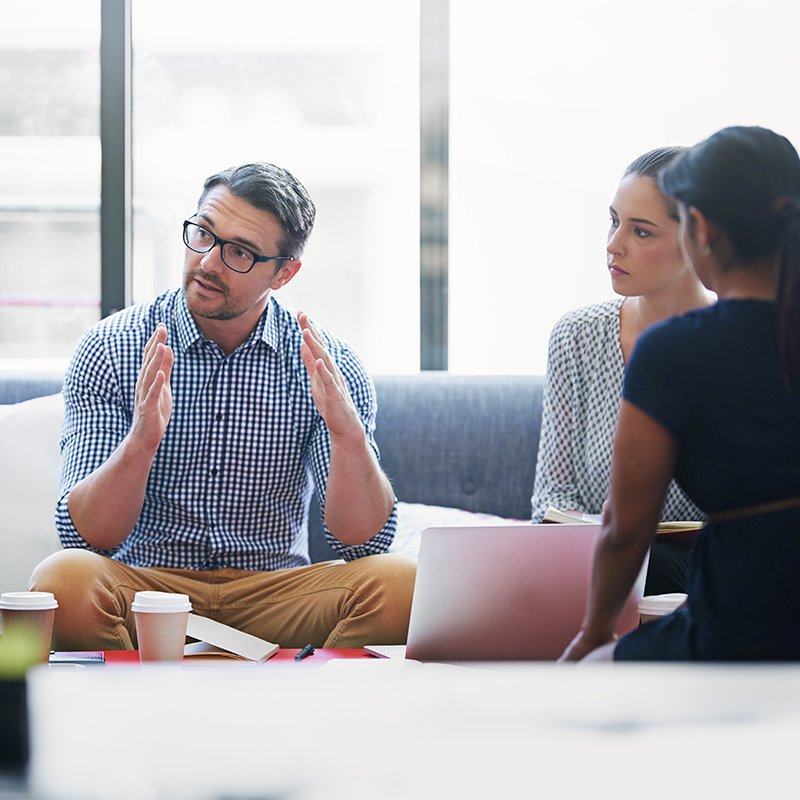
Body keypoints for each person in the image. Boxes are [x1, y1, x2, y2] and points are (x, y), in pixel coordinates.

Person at [29, 162, 416, 651]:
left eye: (239, 252)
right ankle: (141, 714)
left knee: (402, 584)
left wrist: (348, 437)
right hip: (148, 590)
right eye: (204, 235)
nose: (209, 262)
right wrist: (142, 442)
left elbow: (363, 546)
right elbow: (86, 540)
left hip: (275, 593)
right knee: (63, 581)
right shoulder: (111, 347)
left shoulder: (328, 365)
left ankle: (310, 713)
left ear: (284, 273)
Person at [561, 125, 800, 662]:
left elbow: (625, 530)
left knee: (593, 674)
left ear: (701, 229)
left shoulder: (676, 351)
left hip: (742, 628)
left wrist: (593, 637)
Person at [531, 147, 711, 595]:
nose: (614, 245)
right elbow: (549, 500)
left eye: (642, 232)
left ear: (697, 239)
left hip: (703, 576)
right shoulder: (577, 336)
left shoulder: (744, 343)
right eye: (614, 221)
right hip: (594, 564)